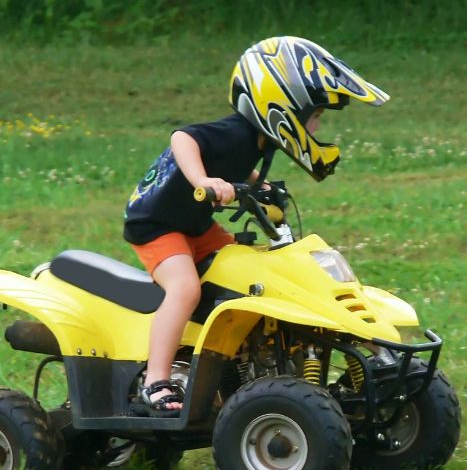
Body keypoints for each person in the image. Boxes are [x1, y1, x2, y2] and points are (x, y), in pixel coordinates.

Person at [123, 36, 390, 417]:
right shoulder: (235, 133)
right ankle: (156, 380)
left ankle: (233, 358)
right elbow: (183, 138)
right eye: (315, 115)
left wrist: (259, 187)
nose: (317, 126)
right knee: (185, 289)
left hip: (195, 226)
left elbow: (233, 167)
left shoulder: (259, 143)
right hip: (157, 225)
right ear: (282, 107)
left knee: (244, 268)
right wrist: (203, 181)